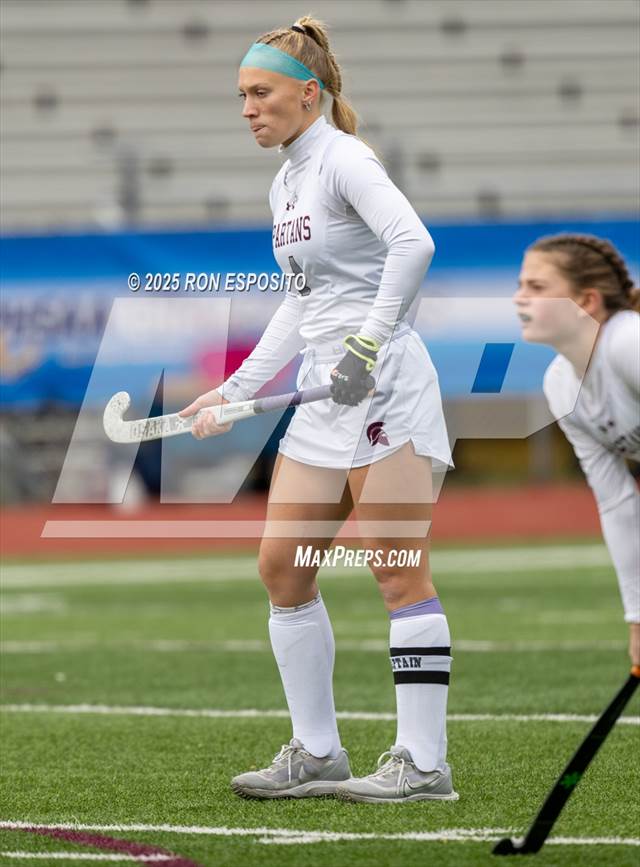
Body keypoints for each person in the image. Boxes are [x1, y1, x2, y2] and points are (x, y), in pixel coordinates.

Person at [180, 16, 457, 804]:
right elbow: (300, 307)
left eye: (260, 93)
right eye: (241, 95)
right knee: (283, 568)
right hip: (323, 394)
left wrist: (368, 345)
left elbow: (414, 244)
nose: (247, 108)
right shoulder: (287, 180)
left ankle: (424, 762)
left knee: (398, 571)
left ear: (310, 94)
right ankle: (317, 750)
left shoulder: (344, 161)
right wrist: (234, 391)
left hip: (384, 386)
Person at [515, 234, 640, 667]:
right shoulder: (560, 385)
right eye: (520, 285)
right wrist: (638, 620)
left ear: (586, 301)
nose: (519, 299)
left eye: (536, 287)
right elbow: (618, 503)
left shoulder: (629, 344)